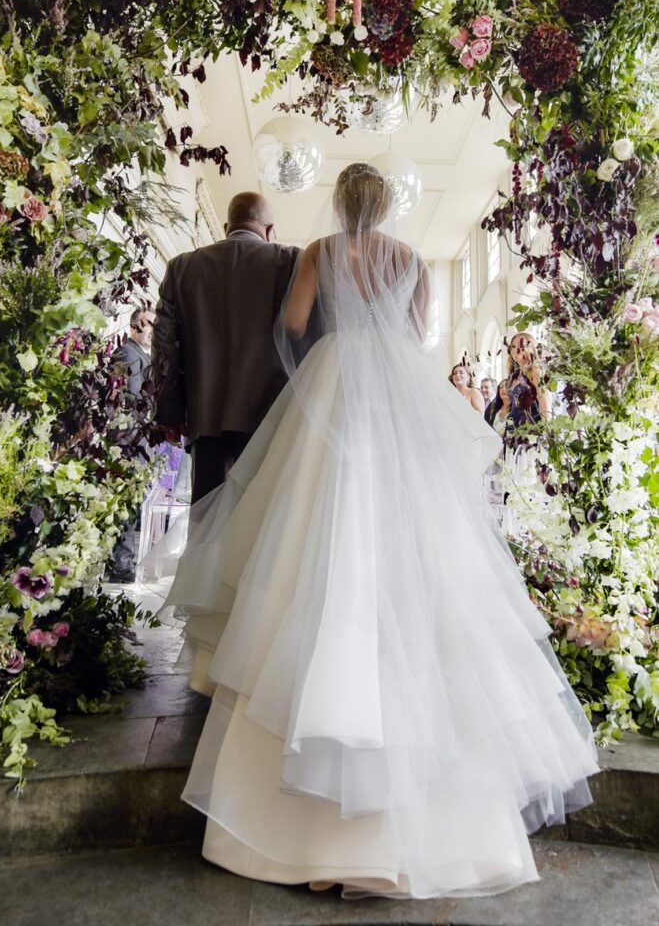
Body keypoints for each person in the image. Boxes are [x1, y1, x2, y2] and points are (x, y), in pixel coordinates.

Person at [148, 164, 598, 899]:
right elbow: (417, 334)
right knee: (412, 545)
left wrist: (322, 353)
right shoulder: (411, 260)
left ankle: (295, 812)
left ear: (338, 203)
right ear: (387, 206)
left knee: (312, 534)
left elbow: (293, 328)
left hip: (333, 382)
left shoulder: (319, 253)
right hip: (394, 392)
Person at [152, 192, 299, 502]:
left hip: (206, 418)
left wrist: (170, 411)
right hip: (271, 419)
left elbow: (165, 344)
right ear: (269, 230)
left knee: (207, 518)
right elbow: (304, 337)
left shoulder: (181, 268)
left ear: (225, 226)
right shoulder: (290, 262)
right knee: (259, 517)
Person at [105, 306, 154, 583]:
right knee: (126, 501)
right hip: (129, 440)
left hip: (137, 439)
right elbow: (131, 397)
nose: (152, 331)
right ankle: (121, 565)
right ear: (135, 326)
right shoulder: (127, 353)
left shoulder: (140, 355)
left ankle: (122, 563)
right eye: (148, 324)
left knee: (131, 501)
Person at [505, 332, 552, 432]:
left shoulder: (535, 373)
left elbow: (546, 409)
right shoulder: (514, 376)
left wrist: (545, 433)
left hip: (531, 431)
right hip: (513, 431)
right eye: (513, 346)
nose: (517, 349)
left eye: (521, 346)